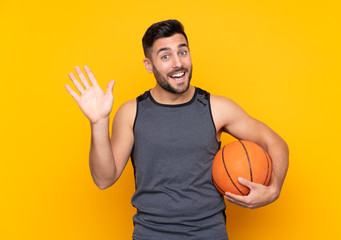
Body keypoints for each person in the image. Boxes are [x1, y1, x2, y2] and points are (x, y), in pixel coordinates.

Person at [65, 19, 289, 240]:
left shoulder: (217, 108)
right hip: (150, 234)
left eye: (182, 52)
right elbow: (104, 179)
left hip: (210, 234)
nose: (177, 63)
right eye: (165, 56)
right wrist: (98, 123)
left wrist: (274, 189)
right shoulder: (132, 113)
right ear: (149, 65)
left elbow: (275, 143)